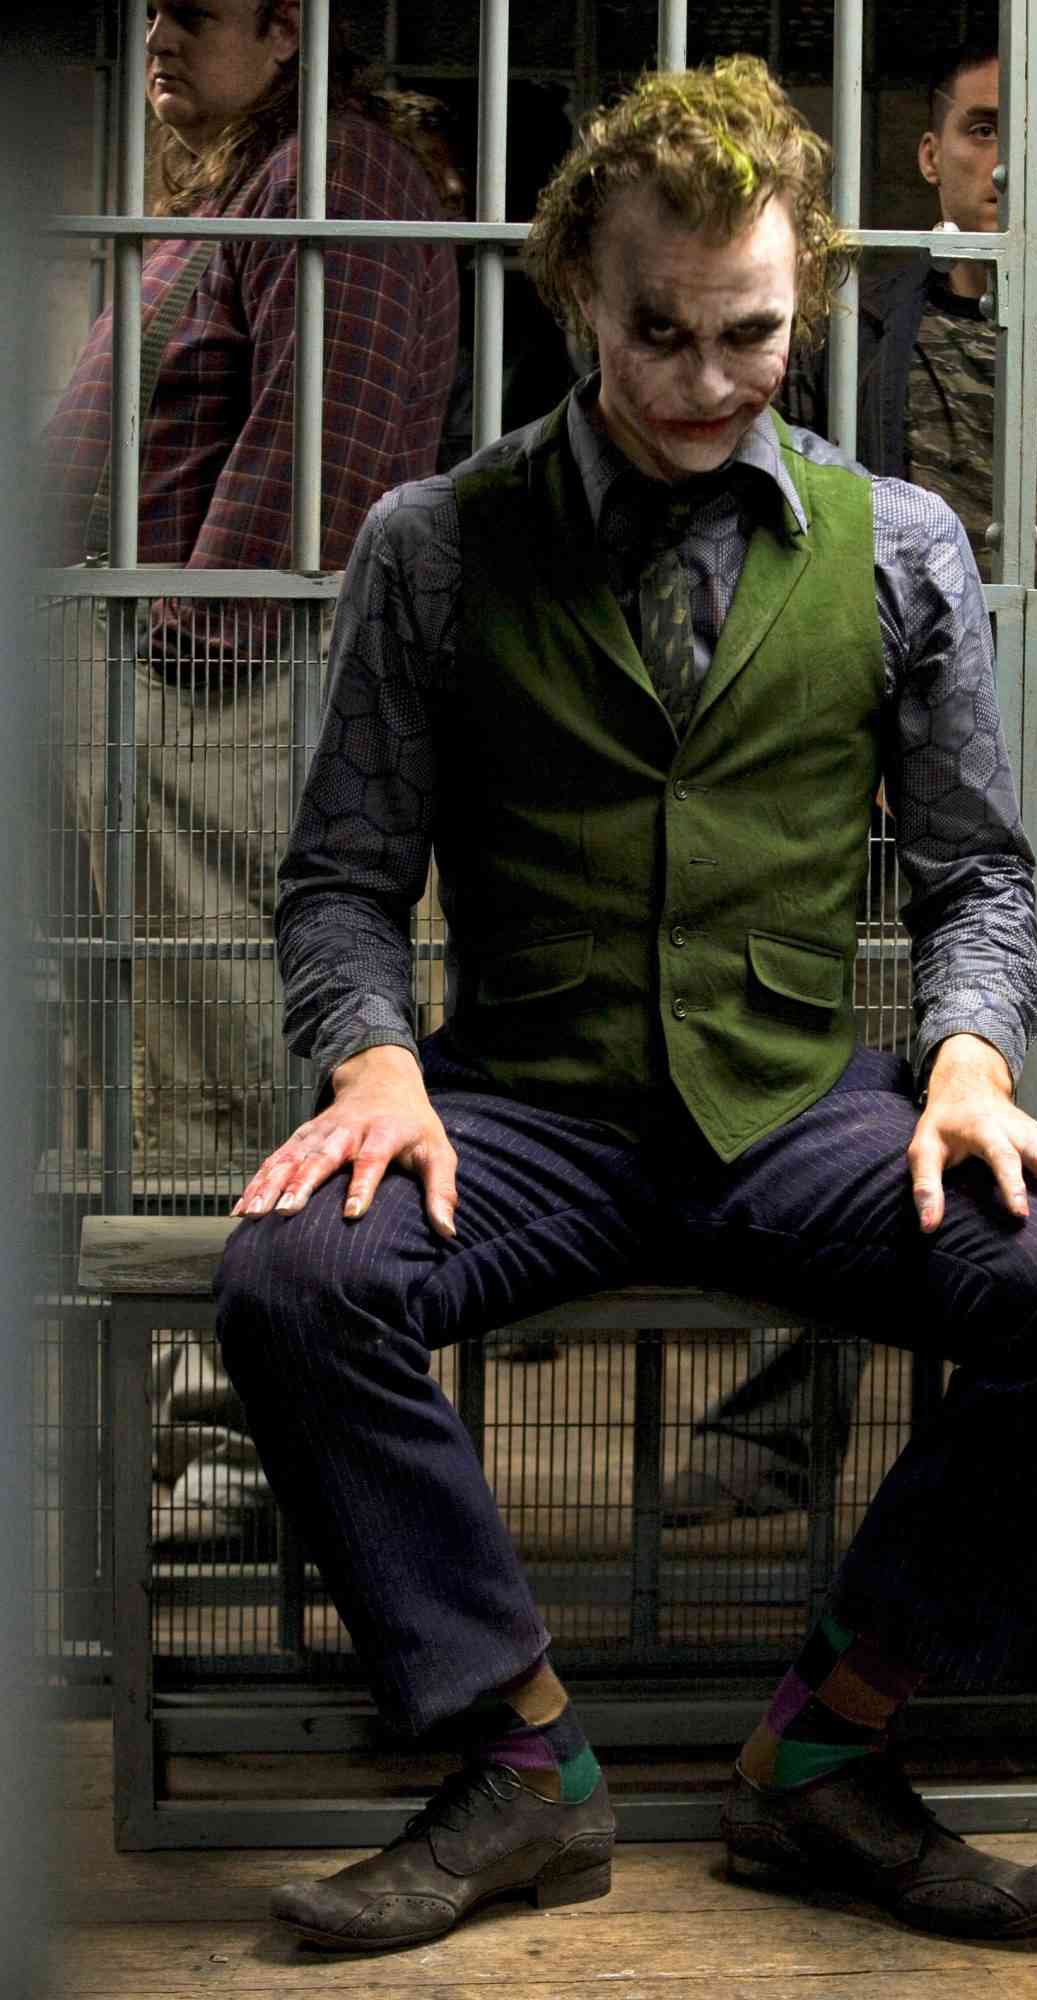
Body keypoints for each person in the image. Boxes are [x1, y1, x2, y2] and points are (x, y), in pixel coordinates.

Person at [213, 55, 1037, 1956]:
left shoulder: (902, 546)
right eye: (659, 330)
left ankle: (826, 1753)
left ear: (804, 299)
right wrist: (375, 1062)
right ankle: (520, 1764)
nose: (705, 380)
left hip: (799, 1111)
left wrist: (968, 1059)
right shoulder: (435, 542)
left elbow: (976, 873)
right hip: (525, 1112)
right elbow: (340, 877)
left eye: (753, 335)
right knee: (291, 1282)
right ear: (578, 288)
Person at [662, 39, 1037, 1532]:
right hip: (875, 767)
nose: (1020, 158)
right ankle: (785, 1429)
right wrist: (838, 734)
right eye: (987, 128)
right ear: (930, 156)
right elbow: (755, 516)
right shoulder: (857, 325)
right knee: (846, 1092)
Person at [43, 0, 461, 1548]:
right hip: (182, 684)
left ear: (288, 29)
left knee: (231, 1061)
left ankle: (247, 1441)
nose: (160, 32)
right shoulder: (260, 171)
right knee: (179, 1062)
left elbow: (317, 459)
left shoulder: (331, 178)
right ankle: (206, 1430)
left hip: (227, 688)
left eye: (198, 11)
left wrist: (185, 652)